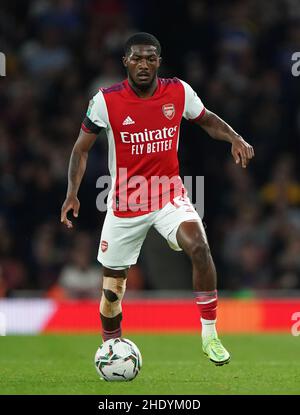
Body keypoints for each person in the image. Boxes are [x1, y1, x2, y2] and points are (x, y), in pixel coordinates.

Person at [61, 32, 254, 366]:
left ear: (159, 62)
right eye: (136, 58)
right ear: (125, 61)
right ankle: (111, 347)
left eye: (150, 58)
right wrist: (71, 194)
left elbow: (206, 119)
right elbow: (80, 149)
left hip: (169, 195)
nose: (144, 64)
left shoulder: (178, 91)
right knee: (111, 291)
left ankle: (209, 334)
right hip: (124, 205)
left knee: (199, 246)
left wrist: (234, 137)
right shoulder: (105, 101)